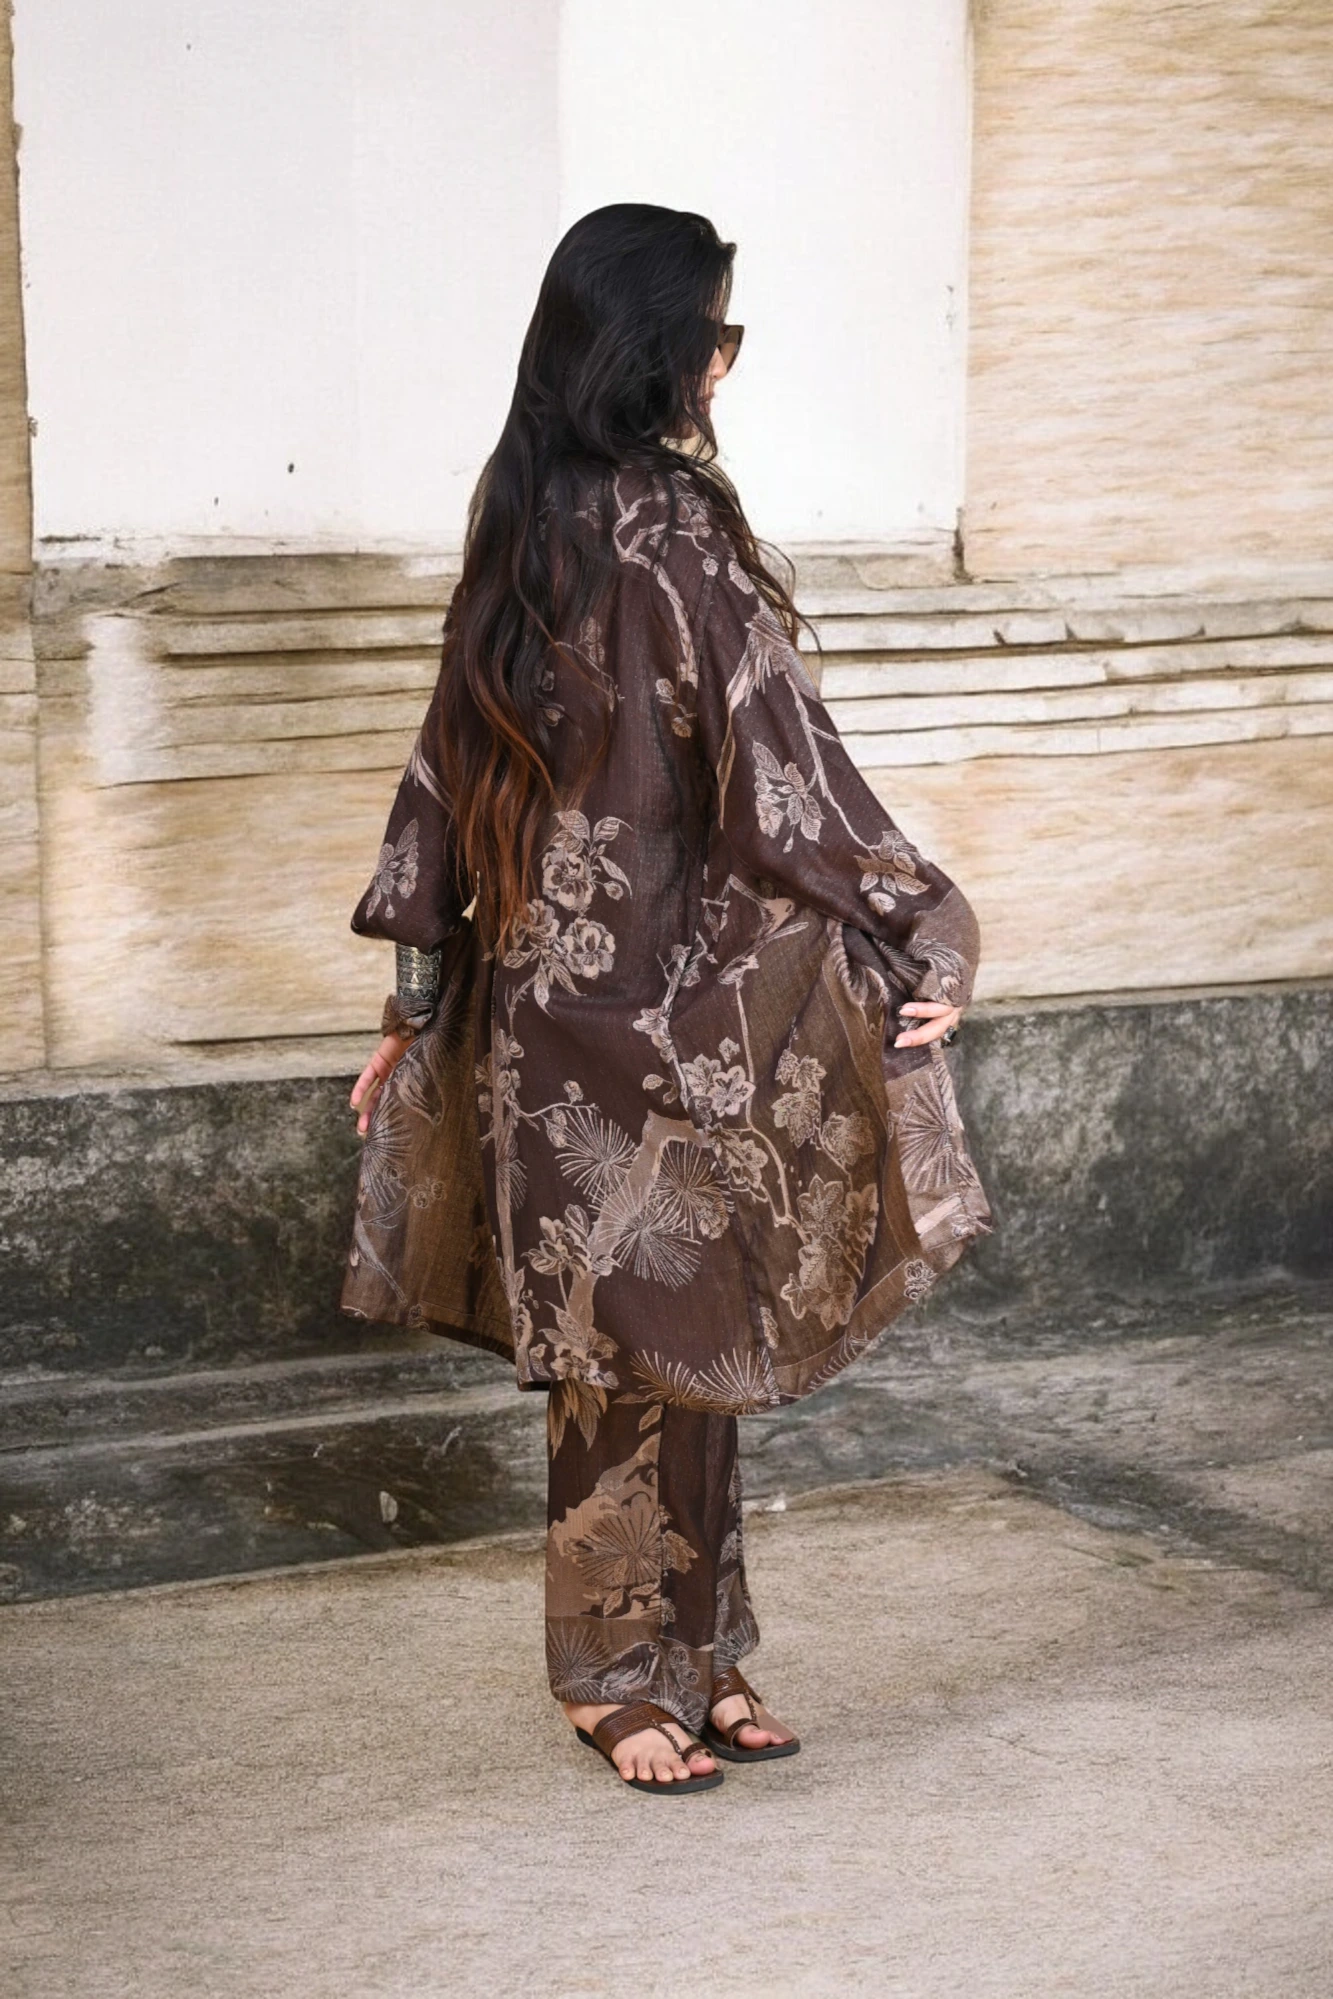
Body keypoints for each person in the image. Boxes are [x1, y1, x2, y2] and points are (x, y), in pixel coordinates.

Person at [342, 203, 992, 1796]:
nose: (722, 365)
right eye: (716, 334)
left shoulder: (521, 513)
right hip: (656, 1010)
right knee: (642, 1344)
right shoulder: (664, 528)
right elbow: (787, 774)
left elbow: (437, 776)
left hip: (555, 1013)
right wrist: (925, 919)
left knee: (663, 1335)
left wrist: (419, 998)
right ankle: (611, 1673)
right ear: (655, 349)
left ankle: (698, 1654)